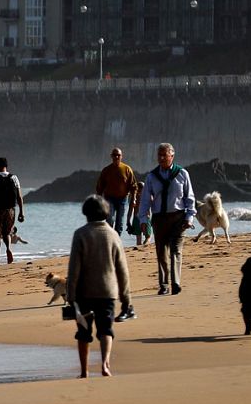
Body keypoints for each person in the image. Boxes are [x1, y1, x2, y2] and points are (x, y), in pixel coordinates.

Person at [65, 196, 132, 378]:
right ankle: (105, 364)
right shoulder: (113, 234)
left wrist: (70, 295)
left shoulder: (80, 234)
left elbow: (74, 268)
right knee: (105, 329)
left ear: (86, 213)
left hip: (84, 292)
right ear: (106, 213)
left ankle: (84, 370)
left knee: (83, 332)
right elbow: (122, 270)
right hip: (107, 291)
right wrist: (126, 299)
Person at [135, 143, 196, 296]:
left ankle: (176, 283)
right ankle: (164, 285)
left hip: (178, 218)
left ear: (172, 156)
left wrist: (189, 217)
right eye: (159, 155)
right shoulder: (151, 176)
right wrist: (143, 219)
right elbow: (145, 201)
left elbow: (190, 198)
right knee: (161, 253)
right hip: (159, 219)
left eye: (165, 155)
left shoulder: (182, 174)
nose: (161, 158)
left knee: (176, 250)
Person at [95, 148, 138, 237]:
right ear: (111, 156)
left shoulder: (127, 169)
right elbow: (100, 187)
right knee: (110, 219)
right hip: (109, 198)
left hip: (122, 199)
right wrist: (98, 201)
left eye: (118, 155)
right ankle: (109, 239)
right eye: (114, 155)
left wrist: (133, 199)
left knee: (119, 222)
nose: (116, 157)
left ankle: (117, 241)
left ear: (121, 156)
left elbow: (133, 186)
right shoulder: (106, 170)